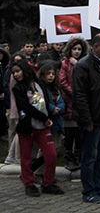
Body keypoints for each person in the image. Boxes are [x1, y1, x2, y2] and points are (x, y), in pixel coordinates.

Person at [72, 33, 100, 203]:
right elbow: (80, 96)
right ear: (96, 47)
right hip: (91, 120)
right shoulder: (83, 66)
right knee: (89, 157)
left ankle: (99, 188)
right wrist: (86, 121)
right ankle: (89, 190)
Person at [10, 59, 64, 197]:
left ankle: (48, 182)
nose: (15, 75)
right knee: (27, 157)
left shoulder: (39, 85)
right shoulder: (17, 88)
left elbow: (45, 102)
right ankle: (29, 183)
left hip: (43, 126)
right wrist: (44, 118)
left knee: (51, 154)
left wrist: (47, 117)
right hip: (28, 127)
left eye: (17, 71)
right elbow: (26, 107)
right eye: (13, 72)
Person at [59, 36, 87, 170]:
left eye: (79, 49)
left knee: (79, 132)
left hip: (81, 101)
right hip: (69, 100)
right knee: (70, 132)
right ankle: (68, 156)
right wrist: (73, 93)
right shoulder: (65, 63)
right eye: (74, 49)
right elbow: (62, 81)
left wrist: (78, 65)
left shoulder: (84, 63)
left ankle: (78, 155)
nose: (77, 51)